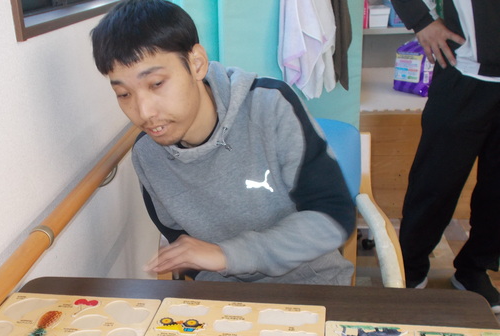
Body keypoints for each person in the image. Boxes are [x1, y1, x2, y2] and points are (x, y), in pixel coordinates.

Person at [90, 0, 355, 285]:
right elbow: (184, 247)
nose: (144, 112)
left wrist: (228, 255)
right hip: (223, 298)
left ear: (196, 64)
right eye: (124, 94)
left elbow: (333, 216)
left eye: (156, 84)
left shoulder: (270, 105)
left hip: (311, 286)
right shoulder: (147, 155)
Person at [390, 1, 499, 313]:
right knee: (436, 182)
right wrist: (421, 20)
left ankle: (474, 269)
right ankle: (410, 269)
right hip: (464, 73)